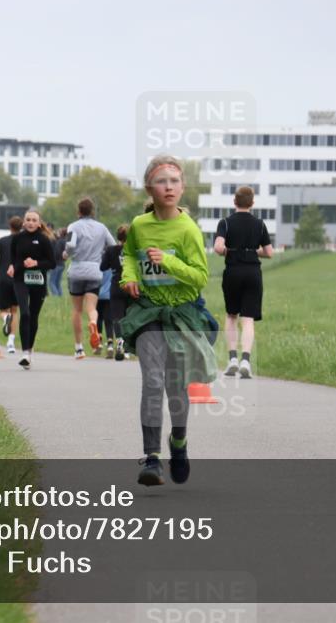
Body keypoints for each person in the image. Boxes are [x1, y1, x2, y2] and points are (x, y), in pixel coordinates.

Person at [119, 155, 215, 486]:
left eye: (175, 181)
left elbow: (200, 277)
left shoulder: (188, 229)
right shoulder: (139, 225)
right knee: (152, 381)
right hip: (148, 312)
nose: (169, 187)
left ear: (183, 187)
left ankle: (179, 442)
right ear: (150, 188)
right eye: (162, 181)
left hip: (181, 314)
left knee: (175, 386)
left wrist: (168, 263)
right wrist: (129, 277)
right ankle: (151, 458)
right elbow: (129, 255)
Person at [213, 186, 274, 379]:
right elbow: (269, 252)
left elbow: (218, 247)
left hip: (233, 272)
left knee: (231, 316)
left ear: (235, 202)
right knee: (248, 319)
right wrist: (252, 251)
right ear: (252, 203)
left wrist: (230, 251)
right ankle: (246, 361)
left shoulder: (225, 222)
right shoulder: (260, 224)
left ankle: (232, 359)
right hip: (253, 273)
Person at [65, 198, 116, 359]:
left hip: (77, 269)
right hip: (95, 270)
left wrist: (67, 254)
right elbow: (112, 245)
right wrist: (102, 255)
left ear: (78, 211)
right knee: (92, 308)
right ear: (92, 211)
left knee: (77, 309)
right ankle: (93, 322)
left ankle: (79, 348)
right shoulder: (102, 227)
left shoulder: (73, 226)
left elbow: (70, 245)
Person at [7, 210, 56, 369]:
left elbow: (52, 263)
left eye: (34, 220)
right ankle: (25, 353)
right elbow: (13, 258)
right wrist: (13, 266)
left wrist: (36, 263)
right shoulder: (17, 238)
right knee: (25, 313)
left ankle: (29, 350)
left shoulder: (44, 239)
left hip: (38, 281)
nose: (30, 223)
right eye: (28, 219)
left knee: (33, 316)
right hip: (20, 279)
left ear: (39, 223)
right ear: (23, 222)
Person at [0, 216, 22, 354]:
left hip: (4, 279)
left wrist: (1, 265)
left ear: (10, 226)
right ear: (21, 227)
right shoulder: (23, 241)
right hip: (18, 279)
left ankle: (5, 318)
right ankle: (11, 342)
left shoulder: (2, 241)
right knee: (15, 310)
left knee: (4, 309)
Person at [100, 224, 129, 361]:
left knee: (117, 317)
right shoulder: (134, 250)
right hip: (131, 285)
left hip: (116, 284)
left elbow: (102, 267)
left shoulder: (111, 250)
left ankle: (120, 341)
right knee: (130, 316)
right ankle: (128, 347)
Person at [94, 269, 113, 356]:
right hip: (108, 295)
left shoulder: (97, 266)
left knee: (98, 319)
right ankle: (110, 344)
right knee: (108, 320)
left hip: (97, 295)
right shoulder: (111, 267)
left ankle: (99, 343)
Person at [49, 227, 68, 297]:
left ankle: (56, 296)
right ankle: (60, 296)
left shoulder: (59, 241)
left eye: (58, 231)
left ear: (61, 233)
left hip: (56, 264)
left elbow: (56, 253)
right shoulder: (66, 241)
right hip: (62, 264)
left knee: (51, 282)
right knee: (57, 282)